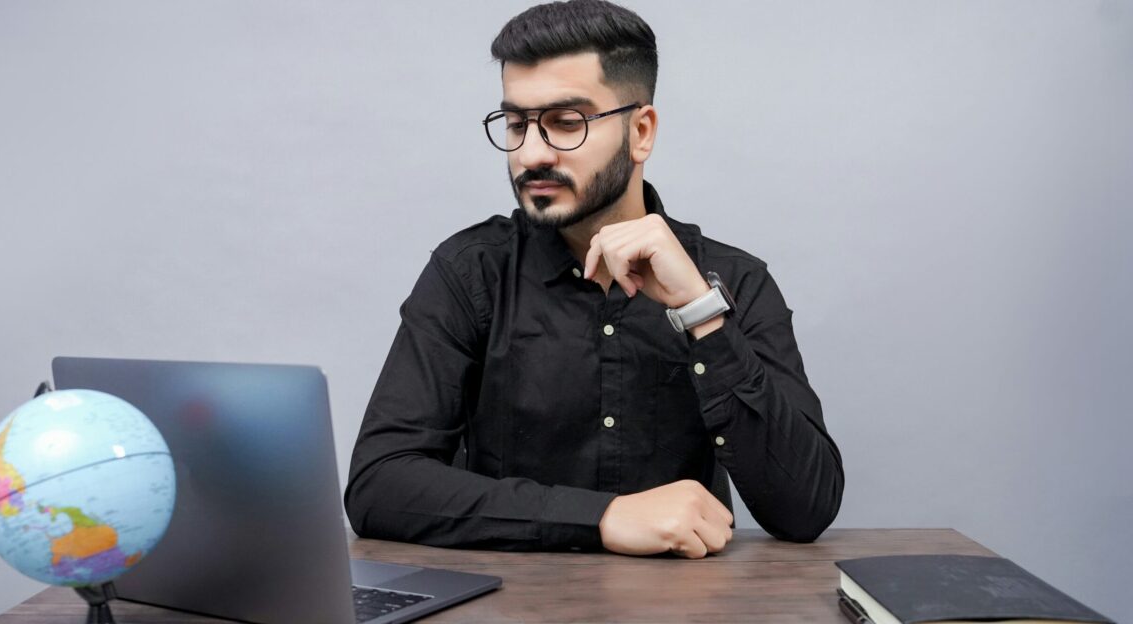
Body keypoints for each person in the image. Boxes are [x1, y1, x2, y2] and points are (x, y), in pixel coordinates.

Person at [344, 0, 844, 559]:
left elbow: (805, 508)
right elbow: (378, 485)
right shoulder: (469, 273)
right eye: (516, 123)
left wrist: (702, 312)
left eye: (565, 123)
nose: (530, 154)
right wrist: (602, 517)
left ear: (641, 132)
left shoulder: (734, 282)